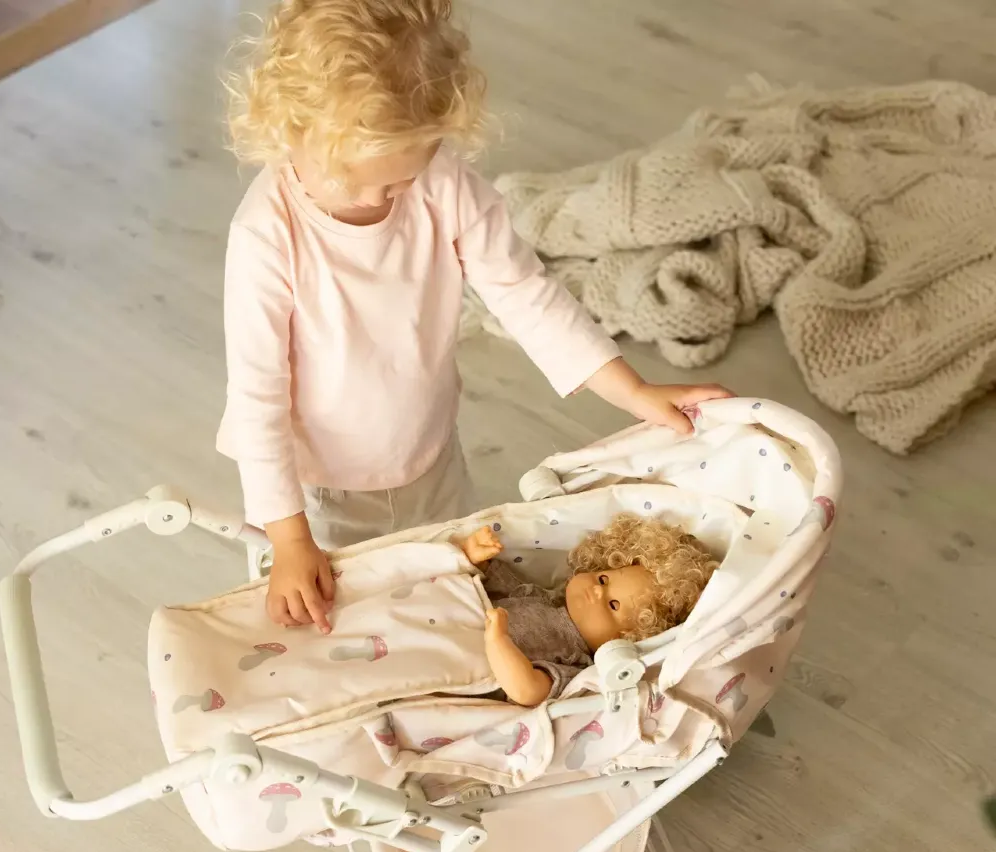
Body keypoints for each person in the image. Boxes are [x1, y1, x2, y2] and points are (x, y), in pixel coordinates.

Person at [218, 0, 732, 636]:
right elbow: (258, 397)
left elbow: (524, 291)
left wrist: (632, 390)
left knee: (455, 586)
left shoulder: (440, 184)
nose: (380, 199)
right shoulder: (265, 237)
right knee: (362, 619)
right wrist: (290, 538)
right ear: (290, 129)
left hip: (430, 452)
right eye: (354, 181)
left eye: (399, 181)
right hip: (322, 488)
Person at [459, 517, 717, 706]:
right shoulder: (544, 598)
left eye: (613, 604)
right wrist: (477, 560)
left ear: (628, 638)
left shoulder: (577, 662)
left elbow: (527, 691)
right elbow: (492, 586)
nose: (597, 591)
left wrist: (499, 641)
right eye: (604, 579)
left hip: (464, 673)